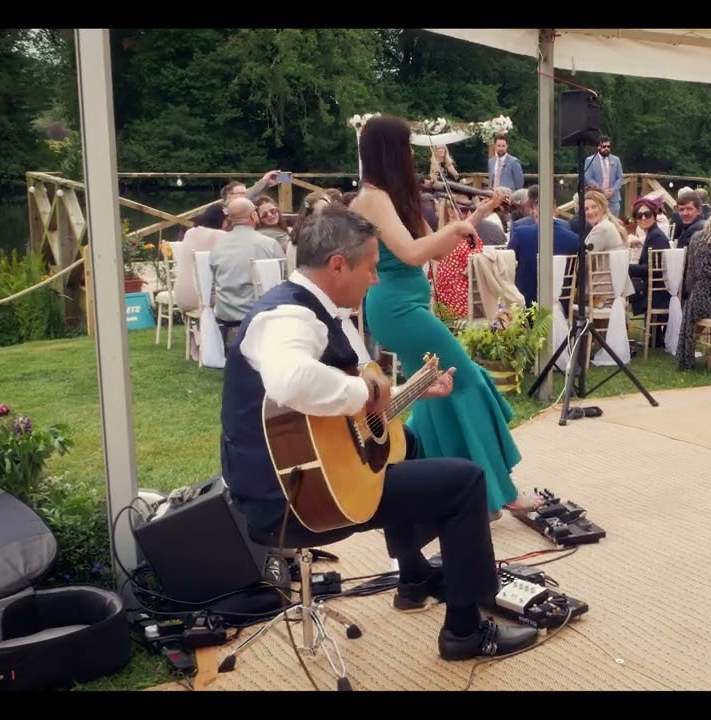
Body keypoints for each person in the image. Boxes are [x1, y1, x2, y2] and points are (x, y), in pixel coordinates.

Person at [219, 204, 538, 660]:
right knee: (465, 482)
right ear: (336, 265)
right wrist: (366, 389)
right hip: (293, 499)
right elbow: (292, 382)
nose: (374, 279)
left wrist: (411, 391)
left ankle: (414, 579)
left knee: (411, 446)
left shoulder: (320, 309)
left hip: (301, 480)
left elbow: (353, 408)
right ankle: (466, 634)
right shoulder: (286, 317)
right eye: (369, 268)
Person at [349, 115, 526, 517]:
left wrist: (477, 216)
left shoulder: (389, 196)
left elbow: (439, 250)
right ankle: (500, 491)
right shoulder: (372, 198)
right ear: (390, 152)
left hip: (405, 305)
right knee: (461, 377)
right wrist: (456, 228)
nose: (412, 155)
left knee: (433, 389)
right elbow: (413, 253)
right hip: (397, 308)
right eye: (407, 148)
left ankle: (444, 482)